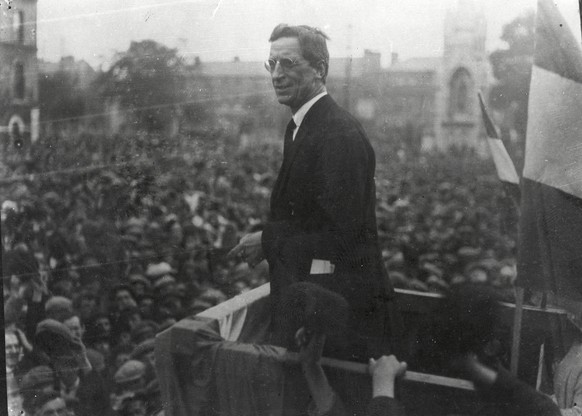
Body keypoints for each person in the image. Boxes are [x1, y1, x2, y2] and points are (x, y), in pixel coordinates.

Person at [228, 23, 401, 360]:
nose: (277, 74)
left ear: (320, 69)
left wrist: (267, 240)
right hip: (317, 309)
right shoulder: (301, 125)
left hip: (341, 321)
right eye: (272, 64)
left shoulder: (338, 134)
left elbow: (344, 237)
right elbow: (311, 220)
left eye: (289, 64)